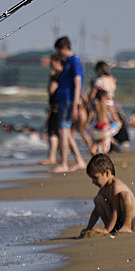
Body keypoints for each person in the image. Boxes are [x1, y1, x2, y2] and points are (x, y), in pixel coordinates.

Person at [49, 36, 86, 173]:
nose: (58, 55)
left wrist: (75, 106)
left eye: (59, 51)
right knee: (66, 132)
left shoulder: (74, 62)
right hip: (64, 100)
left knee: (63, 131)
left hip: (69, 101)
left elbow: (78, 85)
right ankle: (80, 161)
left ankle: (64, 163)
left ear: (65, 48)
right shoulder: (67, 63)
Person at [79, 154, 135, 237]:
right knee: (98, 199)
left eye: (96, 178)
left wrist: (107, 230)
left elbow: (115, 210)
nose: (93, 182)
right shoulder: (104, 189)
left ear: (107, 173)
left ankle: (126, 226)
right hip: (116, 220)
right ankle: (111, 227)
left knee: (126, 196)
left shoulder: (116, 187)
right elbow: (96, 212)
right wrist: (89, 228)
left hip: (130, 217)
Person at [41, 53, 62, 165]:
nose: (50, 65)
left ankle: (52, 157)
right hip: (61, 106)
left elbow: (51, 90)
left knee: (53, 132)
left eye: (52, 62)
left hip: (56, 107)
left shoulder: (57, 75)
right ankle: (60, 155)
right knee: (60, 132)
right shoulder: (65, 74)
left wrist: (51, 79)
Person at [87, 90, 122, 154]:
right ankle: (103, 151)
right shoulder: (106, 105)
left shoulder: (95, 105)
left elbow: (90, 116)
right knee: (104, 138)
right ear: (103, 97)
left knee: (99, 138)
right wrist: (118, 120)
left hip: (98, 124)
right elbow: (113, 113)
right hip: (105, 124)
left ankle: (95, 149)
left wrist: (87, 123)